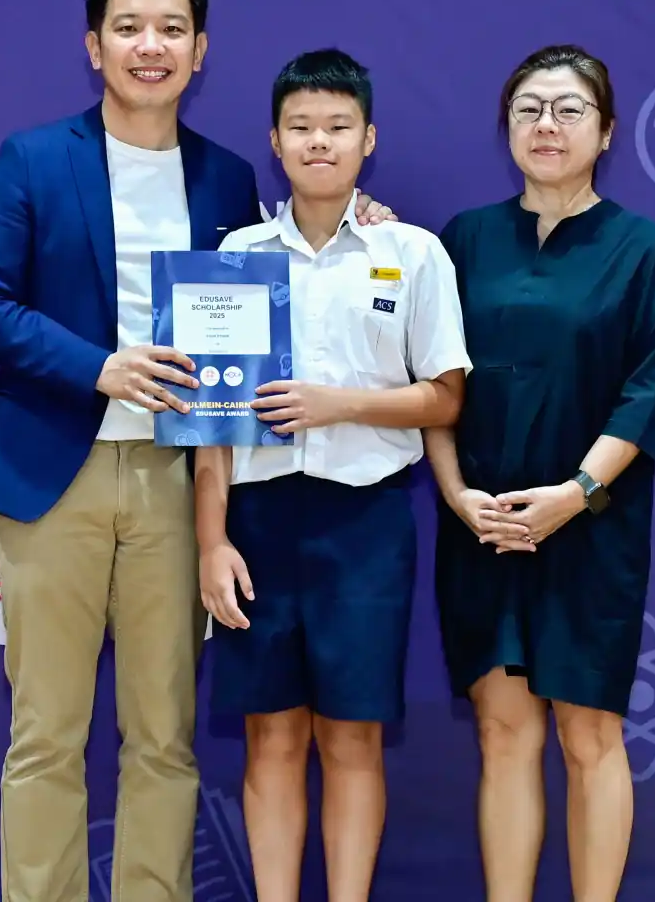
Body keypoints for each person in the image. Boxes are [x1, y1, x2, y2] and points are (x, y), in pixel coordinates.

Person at [0, 0, 397, 902]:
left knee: (164, 733)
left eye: (170, 30)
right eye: (128, 28)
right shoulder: (34, 158)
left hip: (180, 477)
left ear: (200, 51)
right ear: (94, 46)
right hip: (54, 470)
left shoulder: (227, 178)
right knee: (46, 734)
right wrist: (99, 366)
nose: (148, 46)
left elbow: (283, 268)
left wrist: (359, 215)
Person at [194, 49, 472, 902]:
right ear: (275, 141)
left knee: (352, 738)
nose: (320, 142)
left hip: (365, 525)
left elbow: (445, 397)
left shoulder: (412, 251)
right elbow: (211, 424)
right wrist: (211, 541)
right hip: (257, 526)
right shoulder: (236, 256)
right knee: (271, 737)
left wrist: (338, 404)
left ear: (368, 140)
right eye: (302, 127)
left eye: (338, 127)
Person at [422, 44, 655, 902]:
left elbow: (646, 395)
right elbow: (434, 383)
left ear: (606, 132)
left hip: (591, 529)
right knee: (503, 736)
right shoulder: (463, 240)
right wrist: (457, 495)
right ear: (506, 127)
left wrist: (574, 497)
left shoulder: (642, 248)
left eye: (570, 110)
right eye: (529, 109)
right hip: (485, 524)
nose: (547, 125)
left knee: (589, 737)